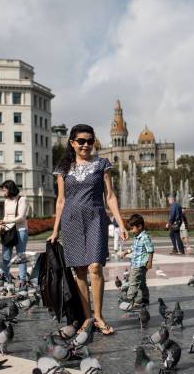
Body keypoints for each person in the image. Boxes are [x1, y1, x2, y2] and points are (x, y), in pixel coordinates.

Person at [49, 124, 126, 335]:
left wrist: (120, 222)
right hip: (71, 221)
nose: (86, 145)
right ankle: (87, 317)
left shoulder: (102, 164)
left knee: (95, 267)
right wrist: (55, 230)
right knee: (80, 270)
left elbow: (110, 196)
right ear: (72, 143)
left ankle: (99, 317)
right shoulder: (63, 168)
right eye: (81, 141)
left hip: (95, 219)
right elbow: (61, 200)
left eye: (90, 141)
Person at [0, 180, 28, 283]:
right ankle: (5, 277)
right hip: (8, 231)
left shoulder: (22, 199)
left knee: (20, 256)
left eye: (4, 190)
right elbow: (6, 216)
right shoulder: (6, 201)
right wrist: (1, 225)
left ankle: (22, 279)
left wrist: (4, 221)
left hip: (20, 230)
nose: (3, 192)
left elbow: (21, 217)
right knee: (5, 256)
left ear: (10, 189)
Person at [119, 214, 154, 308]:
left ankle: (129, 299)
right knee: (142, 283)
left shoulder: (145, 237)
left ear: (139, 226)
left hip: (140, 265)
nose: (131, 231)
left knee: (133, 281)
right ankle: (145, 299)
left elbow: (150, 250)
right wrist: (126, 252)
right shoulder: (137, 236)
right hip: (136, 263)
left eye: (132, 229)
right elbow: (133, 247)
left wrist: (150, 262)